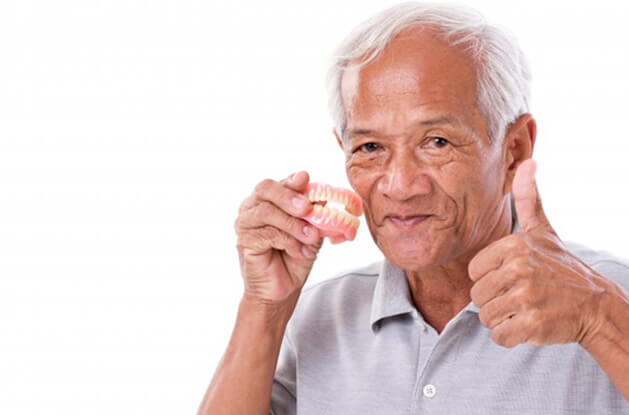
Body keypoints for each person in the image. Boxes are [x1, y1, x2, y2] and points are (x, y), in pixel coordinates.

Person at [197, 3, 629, 414]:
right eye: (370, 147)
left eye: (436, 142)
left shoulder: (610, 298)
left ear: (514, 149)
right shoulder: (320, 314)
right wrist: (264, 309)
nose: (400, 186)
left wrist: (599, 319)